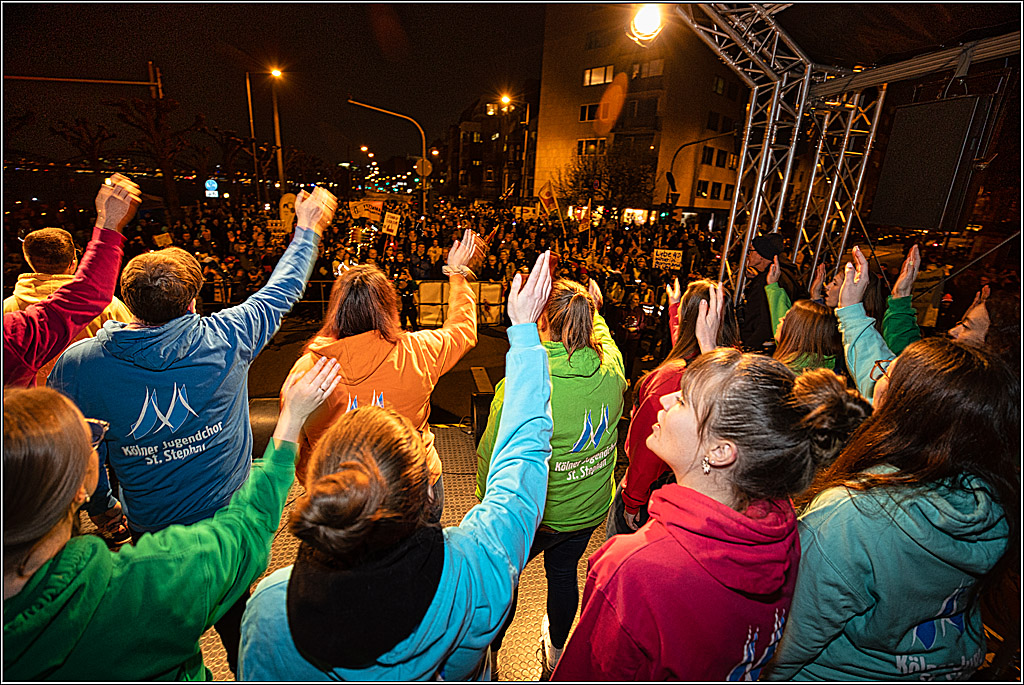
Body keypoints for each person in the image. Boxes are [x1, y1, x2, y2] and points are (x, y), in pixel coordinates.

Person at [48, 186, 337, 670]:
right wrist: (307, 229)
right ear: (193, 300)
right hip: (232, 528)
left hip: (151, 533)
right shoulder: (229, 337)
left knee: (166, 640)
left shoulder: (79, 366)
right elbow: (284, 288)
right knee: (241, 633)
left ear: (128, 301)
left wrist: (103, 508)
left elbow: (83, 450)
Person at [238, 253, 556, 681]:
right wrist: (462, 278)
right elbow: (465, 334)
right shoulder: (476, 571)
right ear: (389, 309)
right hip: (422, 488)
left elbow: (297, 451)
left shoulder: (273, 609)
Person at [3, 354, 342, 680]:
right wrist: (292, 419)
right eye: (89, 437)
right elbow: (248, 525)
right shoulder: (150, 585)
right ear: (79, 488)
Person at [552, 343, 871, 681]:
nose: (664, 401)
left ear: (721, 451)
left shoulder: (632, 569)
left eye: (683, 400)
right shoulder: (780, 523)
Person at [763, 338, 1018, 680]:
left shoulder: (848, 517)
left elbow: (785, 646)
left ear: (904, 409)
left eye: (887, 372)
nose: (876, 378)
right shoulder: (993, 502)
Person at [476, 277, 626, 676]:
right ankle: (558, 652)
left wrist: (487, 505)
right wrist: (594, 309)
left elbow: (493, 456)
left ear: (542, 322)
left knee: (505, 584)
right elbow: (605, 339)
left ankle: (491, 655)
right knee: (563, 576)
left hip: (534, 516)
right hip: (587, 507)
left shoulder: (522, 389)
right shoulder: (611, 368)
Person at [285, 228, 485, 521]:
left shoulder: (308, 371)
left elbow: (293, 442)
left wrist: (317, 486)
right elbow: (463, 329)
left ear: (336, 311)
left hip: (343, 497)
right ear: (389, 307)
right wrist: (457, 274)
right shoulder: (418, 351)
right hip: (415, 486)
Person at [606, 279, 741, 537]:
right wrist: (675, 308)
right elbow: (693, 344)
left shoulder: (669, 380)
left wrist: (633, 499)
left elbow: (646, 450)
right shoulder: (734, 366)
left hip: (653, 489)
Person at [3, 175, 139, 389]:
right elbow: (134, 350)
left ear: (29, 262)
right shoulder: (109, 307)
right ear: (73, 262)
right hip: (93, 405)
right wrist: (109, 223)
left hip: (26, 414)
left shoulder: (8, 311)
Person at [764, 256, 843, 373]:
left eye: (835, 283)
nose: (827, 286)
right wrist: (773, 287)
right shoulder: (817, 365)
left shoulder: (786, 375)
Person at [738, 233, 801, 352]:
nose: (748, 254)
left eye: (751, 251)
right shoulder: (784, 275)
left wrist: (749, 346)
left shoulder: (766, 283)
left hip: (760, 347)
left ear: (761, 255)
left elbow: (763, 320)